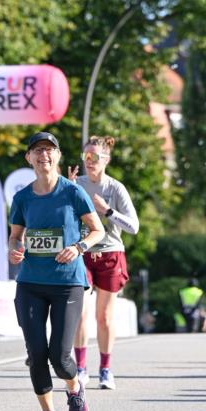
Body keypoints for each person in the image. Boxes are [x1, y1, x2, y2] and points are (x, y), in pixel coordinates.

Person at [9, 132, 104, 411]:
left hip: (67, 284)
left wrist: (78, 248)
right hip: (30, 282)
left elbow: (97, 230)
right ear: (29, 158)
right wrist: (14, 248)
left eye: (50, 150)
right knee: (36, 352)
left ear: (58, 157)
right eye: (38, 151)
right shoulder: (22, 197)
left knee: (60, 357)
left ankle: (74, 389)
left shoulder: (72, 193)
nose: (44, 156)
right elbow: (15, 235)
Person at [68, 136, 139, 390]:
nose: (89, 161)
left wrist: (108, 211)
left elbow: (134, 227)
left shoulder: (115, 188)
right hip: (83, 251)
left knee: (105, 317)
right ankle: (81, 367)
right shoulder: (76, 184)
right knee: (80, 313)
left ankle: (106, 369)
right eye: (86, 156)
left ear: (106, 160)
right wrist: (68, 190)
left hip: (110, 253)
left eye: (95, 157)